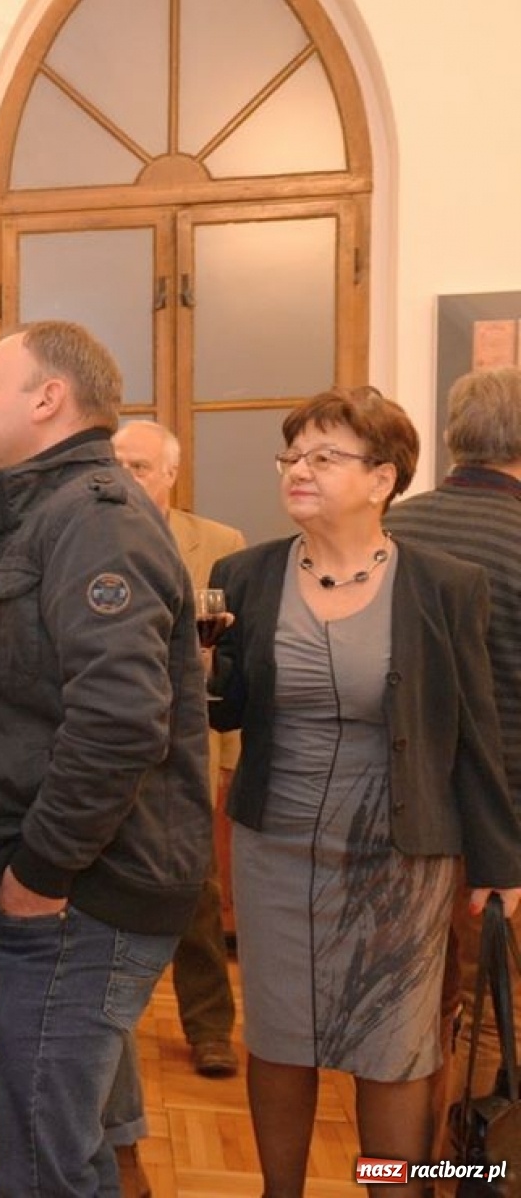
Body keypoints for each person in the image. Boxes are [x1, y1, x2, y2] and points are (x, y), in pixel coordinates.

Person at [0, 320, 213, 1196]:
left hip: (75, 892)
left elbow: (120, 722)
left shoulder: (91, 519)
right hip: (60, 888)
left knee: (39, 1164)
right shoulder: (42, 512)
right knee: (59, 1141)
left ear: (47, 399)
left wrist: (37, 876)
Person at [208, 385, 521, 1196]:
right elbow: (227, 709)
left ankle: (392, 1186)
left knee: (390, 1048)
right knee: (278, 1038)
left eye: (322, 456)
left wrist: (498, 863)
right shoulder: (241, 575)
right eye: (291, 455)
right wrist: (201, 674)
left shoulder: (442, 585)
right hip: (273, 847)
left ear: (382, 478)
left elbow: (473, 734)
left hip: (400, 851)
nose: (297, 470)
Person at [381, 366, 521, 1149]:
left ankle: (410, 1170)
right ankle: (472, 1166)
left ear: (449, 434)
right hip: (505, 826)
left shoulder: (393, 531)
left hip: (402, 815)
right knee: (496, 1021)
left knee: (414, 1019)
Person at [113, 419, 244, 1079]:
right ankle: (110, 1034)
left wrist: (223, 756)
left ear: (169, 474)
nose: (126, 477)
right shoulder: (89, 535)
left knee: (197, 887)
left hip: (185, 739)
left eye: (139, 466)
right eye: (117, 464)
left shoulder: (218, 545)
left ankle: (210, 1029)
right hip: (106, 737)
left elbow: (237, 660)